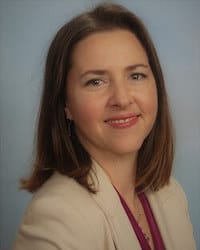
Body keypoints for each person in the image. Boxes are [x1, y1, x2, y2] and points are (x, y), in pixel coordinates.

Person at [13, 3, 196, 250]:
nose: (122, 99)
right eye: (96, 81)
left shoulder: (171, 194)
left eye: (136, 76)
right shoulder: (56, 218)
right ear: (65, 103)